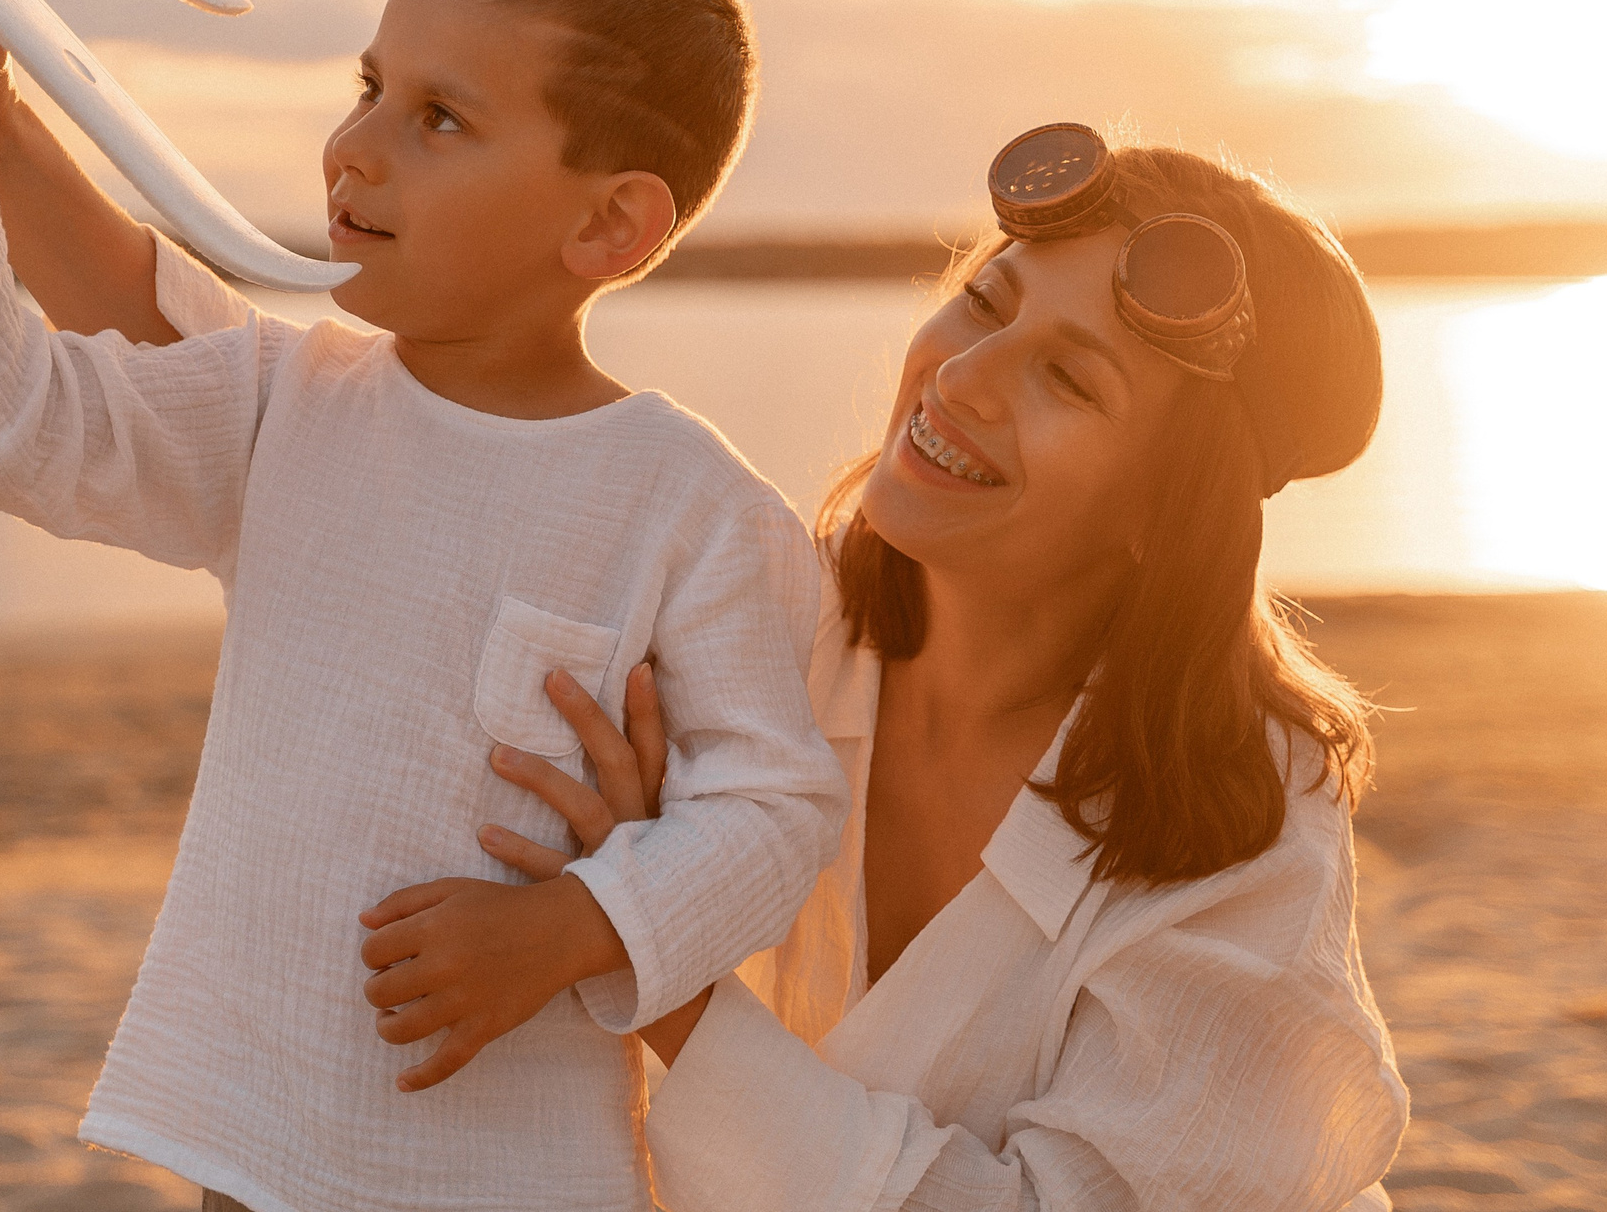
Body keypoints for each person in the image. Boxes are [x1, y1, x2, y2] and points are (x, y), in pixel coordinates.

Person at [0, 0, 847, 1212]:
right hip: (255, 1155)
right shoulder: (287, 404)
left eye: (440, 118)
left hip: (508, 1171)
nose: (354, 147)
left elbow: (777, 809)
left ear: (608, 226)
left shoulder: (693, 507)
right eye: (370, 86)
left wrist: (572, 925)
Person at [469, 127, 1408, 1211]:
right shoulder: (751, 626)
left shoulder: (1249, 815)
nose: (962, 376)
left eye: (1066, 375)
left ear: (1168, 508)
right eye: (987, 302)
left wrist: (656, 962)